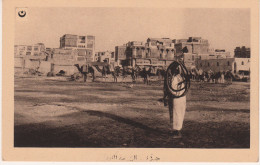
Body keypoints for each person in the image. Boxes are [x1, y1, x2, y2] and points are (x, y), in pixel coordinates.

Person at [164, 65, 187, 139]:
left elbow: (172, 89)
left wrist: (167, 95)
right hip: (179, 98)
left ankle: (177, 131)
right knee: (177, 113)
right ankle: (176, 130)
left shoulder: (175, 78)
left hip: (177, 98)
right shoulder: (179, 78)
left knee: (176, 114)